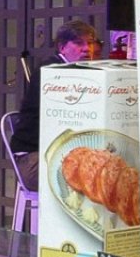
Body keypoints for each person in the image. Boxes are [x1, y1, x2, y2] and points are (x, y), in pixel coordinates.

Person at [8, 19, 102, 186]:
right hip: (33, 159)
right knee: (93, 178)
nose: (87, 49)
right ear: (62, 47)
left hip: (57, 154)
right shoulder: (52, 72)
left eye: (90, 43)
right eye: (79, 43)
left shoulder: (80, 71)